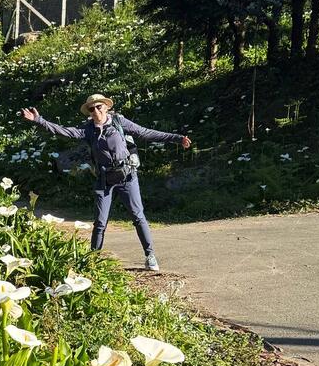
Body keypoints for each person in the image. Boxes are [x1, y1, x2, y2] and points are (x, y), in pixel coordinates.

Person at [19, 93, 190, 272]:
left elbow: (145, 133)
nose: (95, 111)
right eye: (91, 109)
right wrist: (39, 120)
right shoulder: (88, 130)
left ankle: (150, 255)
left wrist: (177, 139)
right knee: (100, 222)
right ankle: (92, 261)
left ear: (106, 107)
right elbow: (63, 131)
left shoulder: (119, 122)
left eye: (99, 107)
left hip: (127, 177)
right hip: (104, 180)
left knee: (138, 217)